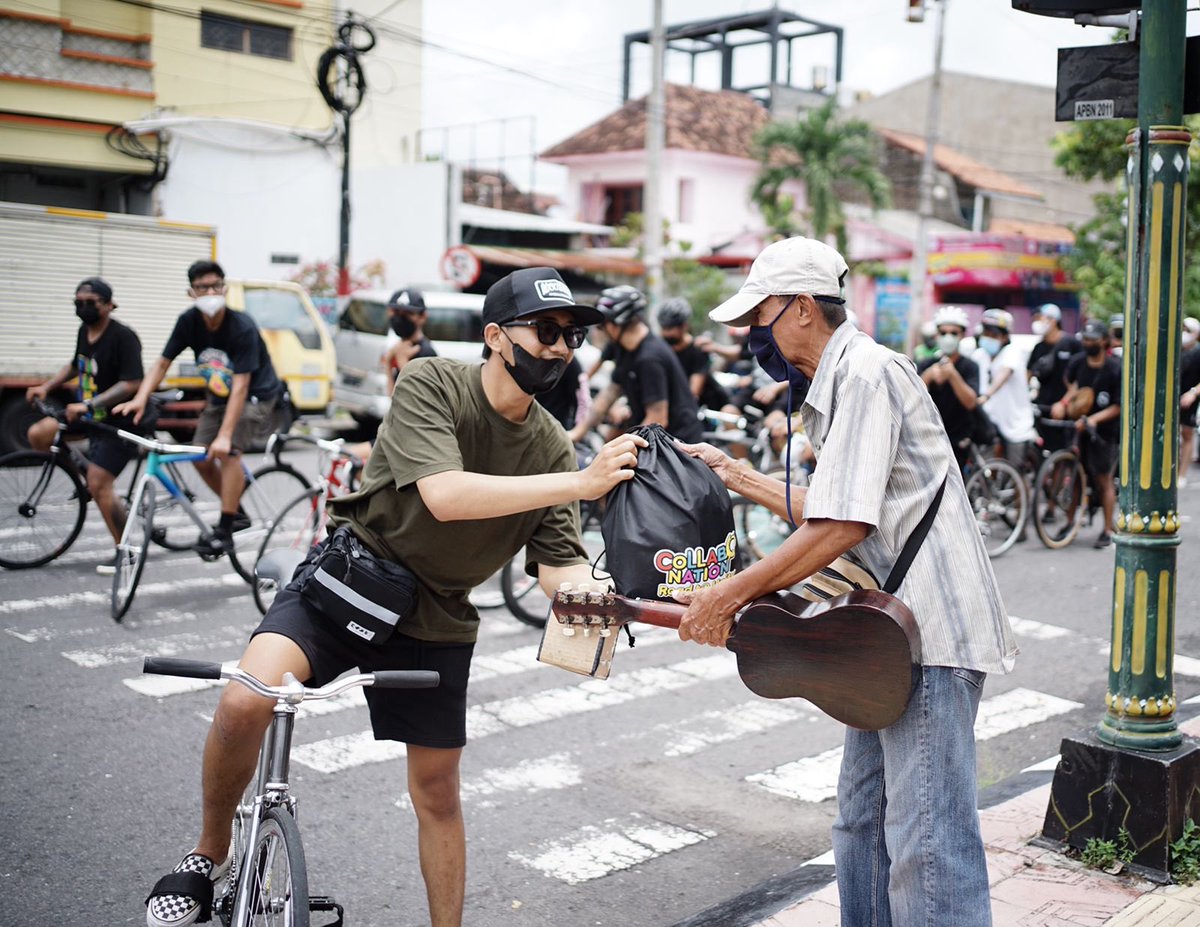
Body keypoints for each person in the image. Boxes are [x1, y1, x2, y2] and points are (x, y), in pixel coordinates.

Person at [141, 266, 644, 927]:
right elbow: (445, 494)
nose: (558, 348)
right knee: (244, 700)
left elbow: (556, 563)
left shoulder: (551, 445)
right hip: (353, 578)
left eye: (571, 336)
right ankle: (209, 851)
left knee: (437, 792)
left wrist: (596, 594)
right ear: (496, 336)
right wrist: (579, 482)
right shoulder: (431, 381)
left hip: (438, 615)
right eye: (545, 330)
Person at [672, 236, 1016, 927]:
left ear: (802, 308)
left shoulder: (863, 374)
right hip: (883, 638)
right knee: (862, 823)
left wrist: (727, 594)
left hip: (929, 636)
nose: (752, 334)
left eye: (759, 315)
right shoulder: (838, 383)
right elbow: (837, 507)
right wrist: (736, 474)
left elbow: (841, 526)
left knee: (927, 845)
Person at [115, 260, 282, 553]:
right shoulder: (188, 322)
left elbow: (241, 386)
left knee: (228, 452)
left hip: (255, 395)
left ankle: (226, 528)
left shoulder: (241, 326)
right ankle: (237, 512)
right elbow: (162, 363)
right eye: (202, 287)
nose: (210, 292)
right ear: (191, 293)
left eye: (215, 286)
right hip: (219, 397)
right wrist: (140, 397)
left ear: (225, 289)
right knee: (199, 455)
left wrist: (225, 435)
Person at [25, 277, 144, 573]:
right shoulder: (84, 331)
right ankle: (83, 483)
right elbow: (75, 364)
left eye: (90, 303)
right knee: (39, 434)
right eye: (78, 302)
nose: (83, 308)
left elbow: (131, 383)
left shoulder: (123, 337)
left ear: (109, 305)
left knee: (100, 482)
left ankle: (126, 551)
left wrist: (90, 405)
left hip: (121, 420)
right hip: (91, 416)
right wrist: (47, 386)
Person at [584, 285, 704, 443]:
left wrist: (619, 448)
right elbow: (610, 392)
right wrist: (576, 434)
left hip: (677, 440)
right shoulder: (622, 347)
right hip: (649, 431)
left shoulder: (650, 358)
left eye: (602, 325)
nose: (601, 331)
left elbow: (657, 418)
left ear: (614, 325)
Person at [1055, 319, 1122, 549]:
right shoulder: (1078, 362)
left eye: (1092, 339)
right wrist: (1064, 403)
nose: (1087, 343)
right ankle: (1069, 522)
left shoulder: (1115, 368)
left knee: (1103, 479)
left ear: (1104, 341)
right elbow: (1072, 385)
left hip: (1103, 433)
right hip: (1078, 428)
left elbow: (1118, 406)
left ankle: (1107, 530)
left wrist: (1093, 419)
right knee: (1074, 475)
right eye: (1085, 338)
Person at [917, 305, 980, 470]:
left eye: (954, 333)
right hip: (929, 439)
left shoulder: (970, 366)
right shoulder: (926, 364)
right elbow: (912, 398)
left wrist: (953, 375)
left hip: (959, 439)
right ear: (936, 335)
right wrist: (928, 376)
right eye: (943, 333)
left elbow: (971, 402)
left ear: (962, 335)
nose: (948, 337)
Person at [976, 308, 1037, 468]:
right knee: (986, 465)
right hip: (990, 419)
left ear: (1004, 337)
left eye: (994, 334)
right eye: (986, 333)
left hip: (1014, 423)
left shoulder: (1012, 352)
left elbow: (1004, 374)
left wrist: (986, 396)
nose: (988, 337)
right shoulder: (980, 355)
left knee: (1015, 468)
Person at [656, 297, 734, 413]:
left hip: (707, 407)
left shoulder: (698, 350)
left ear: (684, 326)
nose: (667, 333)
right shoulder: (660, 350)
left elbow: (693, 392)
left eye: (671, 328)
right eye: (664, 328)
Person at [1028, 303, 1083, 453]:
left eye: (1039, 318)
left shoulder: (1072, 344)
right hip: (1043, 407)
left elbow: (1080, 379)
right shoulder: (1039, 348)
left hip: (1067, 410)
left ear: (1053, 320)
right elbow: (1028, 374)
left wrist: (1064, 403)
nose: (1036, 323)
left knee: (1065, 452)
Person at [383, 286, 437, 393]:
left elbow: (423, 396)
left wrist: (402, 361)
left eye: (408, 314)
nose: (400, 318)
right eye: (396, 312)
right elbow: (393, 396)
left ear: (422, 317)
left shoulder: (426, 353)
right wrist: (388, 363)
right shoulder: (401, 347)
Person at [1178, 317, 1200, 487]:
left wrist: (1193, 393)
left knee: (1187, 433)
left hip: (1189, 398)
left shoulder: (1197, 352)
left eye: (1189, 330)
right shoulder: (1175, 350)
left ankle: (1182, 474)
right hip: (1174, 397)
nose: (1185, 333)